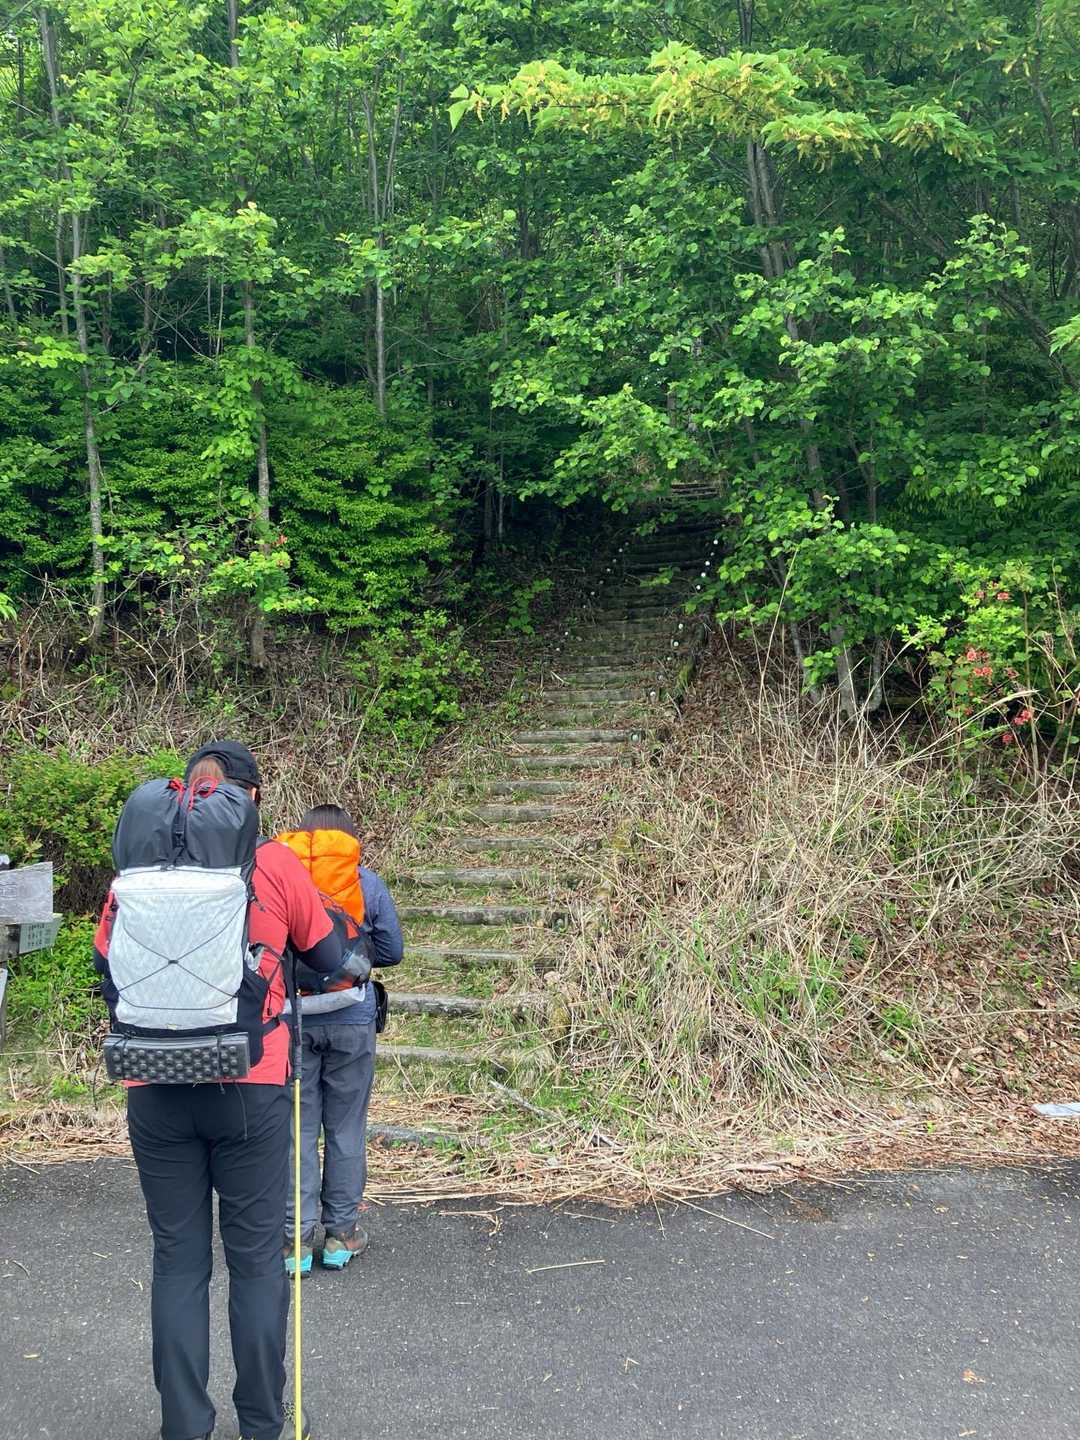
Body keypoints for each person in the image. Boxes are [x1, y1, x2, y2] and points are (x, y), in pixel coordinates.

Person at [94, 741, 343, 1440]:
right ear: (248, 799)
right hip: (249, 1085)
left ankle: (184, 1425)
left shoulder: (135, 875)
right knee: (256, 1261)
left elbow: (105, 964)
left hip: (153, 1081)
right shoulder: (275, 863)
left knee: (178, 1260)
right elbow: (328, 957)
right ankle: (263, 1422)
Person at [276, 804, 403, 1274]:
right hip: (352, 1016)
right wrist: (350, 958)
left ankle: (295, 1241)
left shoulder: (279, 880)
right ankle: (341, 1235)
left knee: (297, 1128)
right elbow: (392, 950)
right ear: (349, 841)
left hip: (293, 1018)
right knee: (346, 1127)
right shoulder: (364, 882)